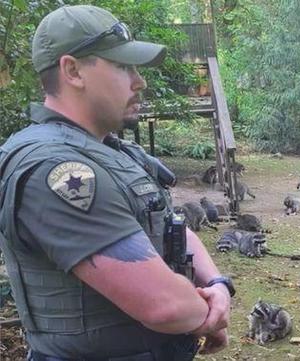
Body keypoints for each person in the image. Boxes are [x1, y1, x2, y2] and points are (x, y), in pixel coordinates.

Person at [0, 5, 233, 360]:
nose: (140, 81)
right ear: (73, 70)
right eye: (123, 66)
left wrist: (217, 284)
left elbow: (173, 225)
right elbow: (163, 305)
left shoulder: (113, 152)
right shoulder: (57, 171)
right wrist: (209, 315)